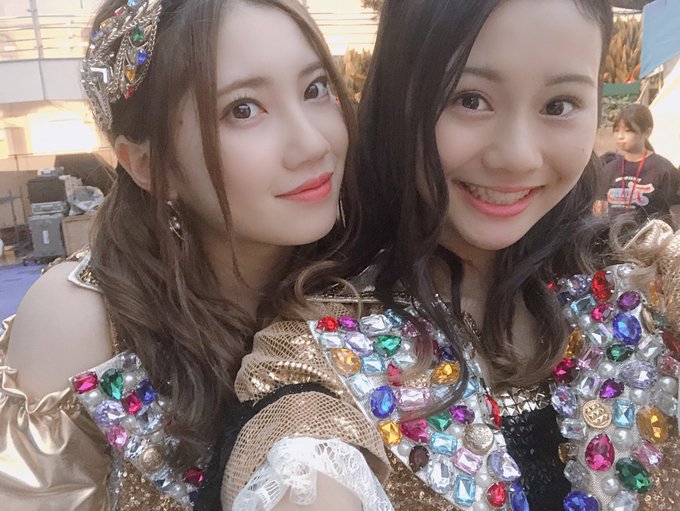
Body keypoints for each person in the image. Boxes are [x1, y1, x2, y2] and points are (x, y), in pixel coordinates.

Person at [215, 1, 680, 510]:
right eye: (470, 99)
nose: (518, 156)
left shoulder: (648, 281)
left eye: (559, 105)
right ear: (399, 99)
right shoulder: (322, 350)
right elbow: (304, 461)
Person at [0, 0, 356, 509]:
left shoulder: (370, 280)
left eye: (315, 88)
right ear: (150, 166)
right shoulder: (82, 321)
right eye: (243, 109)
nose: (313, 143)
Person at [599, 104, 680, 225]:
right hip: (614, 235)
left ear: (647, 132)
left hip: (652, 235)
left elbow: (676, 210)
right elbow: (599, 208)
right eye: (616, 130)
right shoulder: (609, 169)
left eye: (628, 131)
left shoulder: (664, 170)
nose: (620, 136)